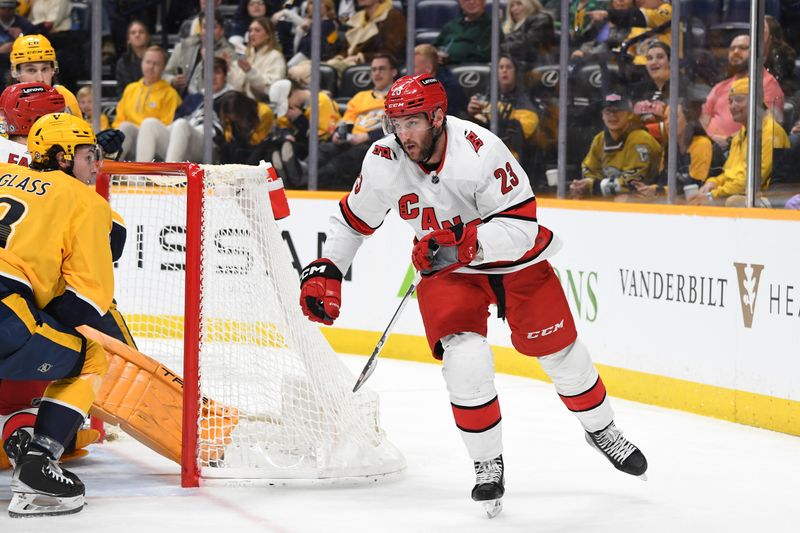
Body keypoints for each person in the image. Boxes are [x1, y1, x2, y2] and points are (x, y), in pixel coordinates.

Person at [298, 74, 648, 517]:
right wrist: (328, 266)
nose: (403, 135)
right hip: (449, 272)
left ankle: (602, 431)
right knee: (466, 361)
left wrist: (466, 243)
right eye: (396, 123)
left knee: (563, 356)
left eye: (413, 124)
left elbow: (522, 228)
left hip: (513, 264)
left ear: (438, 117)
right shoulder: (383, 158)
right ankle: (487, 463)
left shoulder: (481, 151)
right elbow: (353, 222)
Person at [0, 112, 113, 517]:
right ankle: (39, 462)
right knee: (91, 354)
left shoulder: (2, 172)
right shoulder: (85, 201)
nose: (95, 164)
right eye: (88, 154)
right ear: (63, 157)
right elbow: (91, 299)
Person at [691, 77, 790, 206]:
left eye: (739, 100)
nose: (733, 106)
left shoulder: (771, 132)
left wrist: (713, 195)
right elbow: (729, 172)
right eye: (730, 101)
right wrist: (713, 183)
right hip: (735, 193)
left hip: (767, 197)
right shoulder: (740, 135)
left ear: (756, 100)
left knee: (731, 202)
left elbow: (753, 180)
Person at [317, 53, 396, 190]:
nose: (377, 73)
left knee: (339, 163)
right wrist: (338, 133)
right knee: (322, 150)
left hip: (375, 145)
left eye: (382, 69)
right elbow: (347, 121)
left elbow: (397, 125)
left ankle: (302, 181)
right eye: (374, 69)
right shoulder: (360, 97)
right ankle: (300, 172)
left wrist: (368, 136)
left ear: (393, 71)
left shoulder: (398, 96)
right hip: (351, 141)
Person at [135, 56, 233, 163]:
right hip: (182, 142)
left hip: (211, 147)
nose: (212, 77)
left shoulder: (232, 98)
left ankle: (170, 175)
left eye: (217, 72)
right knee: (149, 123)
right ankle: (141, 174)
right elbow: (174, 121)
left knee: (181, 124)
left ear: (225, 76)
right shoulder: (193, 98)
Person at [570, 92, 662, 198]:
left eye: (618, 110)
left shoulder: (640, 140)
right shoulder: (599, 139)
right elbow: (589, 170)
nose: (612, 115)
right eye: (608, 111)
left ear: (629, 114)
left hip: (647, 202)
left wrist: (591, 186)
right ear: (602, 116)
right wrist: (582, 186)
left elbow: (632, 183)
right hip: (612, 200)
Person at [700, 34, 784, 146]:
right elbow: (703, 120)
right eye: (732, 49)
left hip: (742, 150)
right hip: (709, 146)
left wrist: (728, 141)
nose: (735, 52)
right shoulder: (720, 87)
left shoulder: (767, 84)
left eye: (743, 48)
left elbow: (766, 129)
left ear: (757, 52)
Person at [466, 55, 540, 166]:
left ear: (516, 72)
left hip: (512, 159)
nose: (504, 70)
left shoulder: (527, 104)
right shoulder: (485, 98)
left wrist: (485, 120)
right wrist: (471, 115)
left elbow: (517, 135)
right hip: (482, 153)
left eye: (508, 67)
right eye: (501, 67)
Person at [268, 78, 341, 187]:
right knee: (277, 146)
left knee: (323, 149)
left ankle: (300, 171)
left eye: (286, 105)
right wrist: (287, 134)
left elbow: (322, 138)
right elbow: (282, 125)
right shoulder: (292, 109)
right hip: (303, 144)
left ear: (292, 92)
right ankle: (282, 176)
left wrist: (299, 120)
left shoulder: (320, 100)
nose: (286, 110)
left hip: (325, 145)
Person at [113, 45, 181, 160]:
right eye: (148, 62)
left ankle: (141, 175)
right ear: (142, 63)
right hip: (132, 141)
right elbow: (119, 121)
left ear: (164, 68)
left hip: (155, 145)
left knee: (148, 125)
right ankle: (106, 170)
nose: (151, 67)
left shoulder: (170, 94)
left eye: (156, 64)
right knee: (125, 127)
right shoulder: (130, 89)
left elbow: (166, 127)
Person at [163, 9, 234, 98]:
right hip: (178, 100)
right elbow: (164, 74)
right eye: (205, 27)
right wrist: (173, 80)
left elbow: (226, 86)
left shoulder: (228, 53)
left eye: (214, 27)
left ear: (221, 31)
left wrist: (206, 62)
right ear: (200, 29)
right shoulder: (184, 47)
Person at [9, 34, 79, 116]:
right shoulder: (6, 102)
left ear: (54, 69)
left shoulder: (65, 97)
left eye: (45, 69)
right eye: (31, 70)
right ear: (16, 73)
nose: (40, 78)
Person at [227, 16, 286, 102]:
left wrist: (250, 72)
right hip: (237, 102)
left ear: (268, 35)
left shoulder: (276, 57)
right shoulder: (244, 54)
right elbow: (234, 83)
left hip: (260, 105)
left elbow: (270, 89)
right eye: (250, 30)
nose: (252, 34)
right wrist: (227, 67)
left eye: (257, 30)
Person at [333, 0, 406, 69]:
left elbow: (390, 53)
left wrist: (361, 58)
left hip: (376, 68)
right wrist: (340, 58)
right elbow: (345, 49)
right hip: (350, 65)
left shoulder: (393, 17)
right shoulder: (356, 19)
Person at [501, 0, 557, 72]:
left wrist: (500, 47)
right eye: (512, 6)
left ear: (529, 4)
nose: (514, 9)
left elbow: (527, 45)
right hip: (515, 71)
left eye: (519, 4)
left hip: (538, 70)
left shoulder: (542, 19)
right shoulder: (509, 28)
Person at [414, 44, 467, 118]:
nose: (409, 70)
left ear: (429, 68)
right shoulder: (411, 85)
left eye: (414, 66)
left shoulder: (449, 88)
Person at [433, 0, 491, 66]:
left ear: (484, 2)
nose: (471, 2)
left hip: (470, 71)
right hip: (441, 69)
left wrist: (449, 59)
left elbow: (481, 56)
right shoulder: (452, 25)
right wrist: (436, 54)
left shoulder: (491, 26)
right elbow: (433, 47)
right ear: (460, 3)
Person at [114, 20, 151, 97]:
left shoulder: (158, 58)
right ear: (128, 40)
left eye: (141, 32)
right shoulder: (123, 62)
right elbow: (121, 89)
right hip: (130, 102)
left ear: (147, 37)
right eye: (133, 33)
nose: (137, 35)